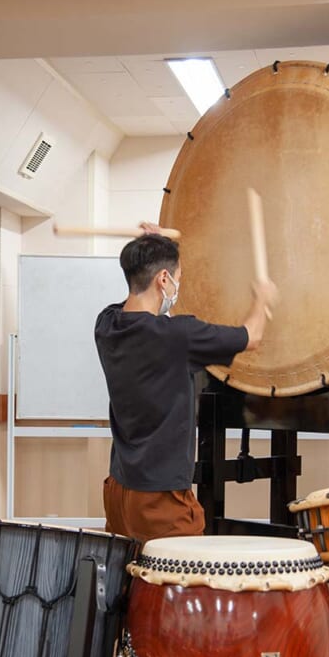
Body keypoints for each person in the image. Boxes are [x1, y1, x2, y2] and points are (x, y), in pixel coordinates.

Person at [94, 225, 278, 544]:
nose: (178, 284)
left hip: (120, 489)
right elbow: (252, 337)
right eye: (177, 278)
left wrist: (153, 240)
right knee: (181, 588)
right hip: (160, 498)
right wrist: (262, 299)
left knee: (131, 586)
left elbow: (140, 296)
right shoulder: (178, 336)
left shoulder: (106, 324)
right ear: (163, 279)